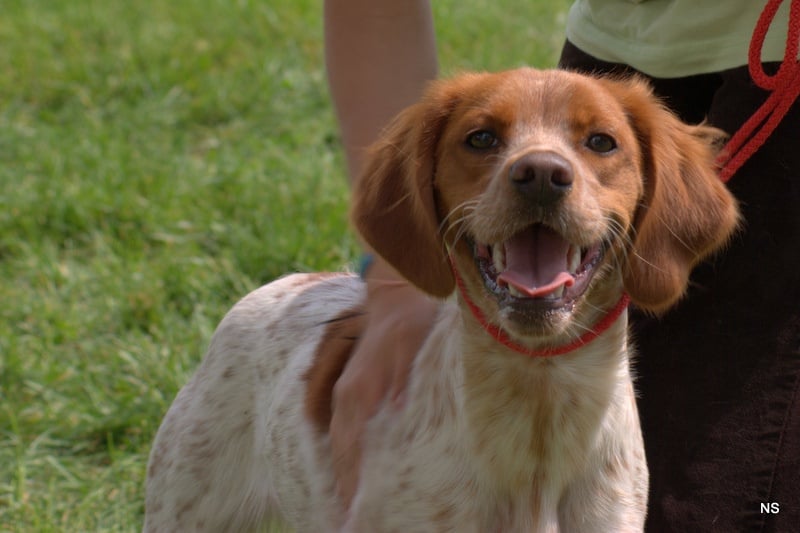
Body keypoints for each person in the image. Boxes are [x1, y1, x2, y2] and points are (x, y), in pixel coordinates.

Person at [324, 1, 800, 530]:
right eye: (482, 139)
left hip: (781, 44)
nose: (541, 167)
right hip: (621, 33)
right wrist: (396, 287)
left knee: (726, 510)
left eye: (598, 143)